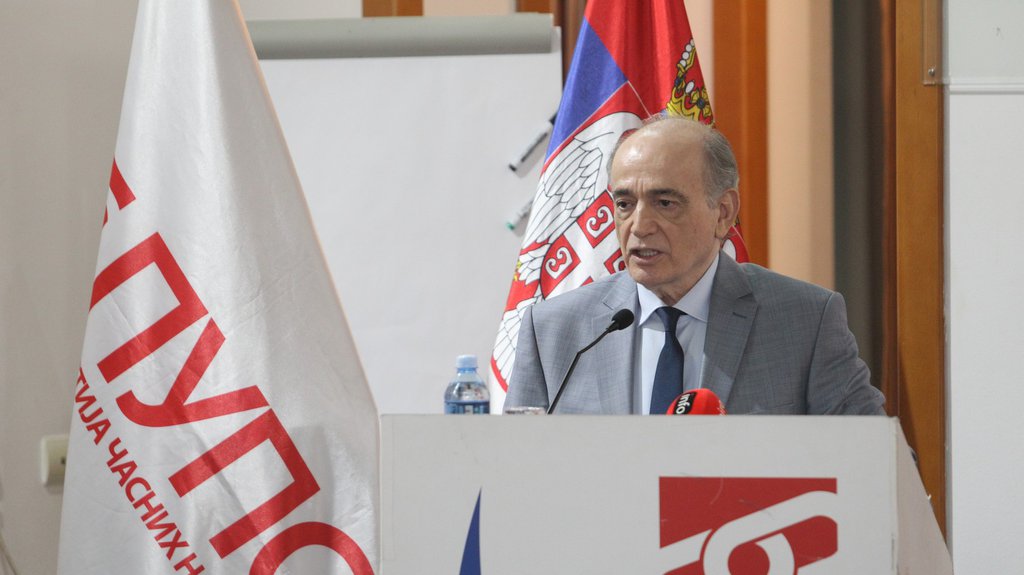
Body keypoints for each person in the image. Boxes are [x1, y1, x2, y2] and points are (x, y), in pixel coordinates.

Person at [504, 116, 885, 415]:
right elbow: (513, 468)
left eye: (665, 203)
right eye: (624, 204)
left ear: (723, 212)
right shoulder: (555, 331)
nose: (639, 225)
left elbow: (878, 461)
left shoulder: (804, 322)